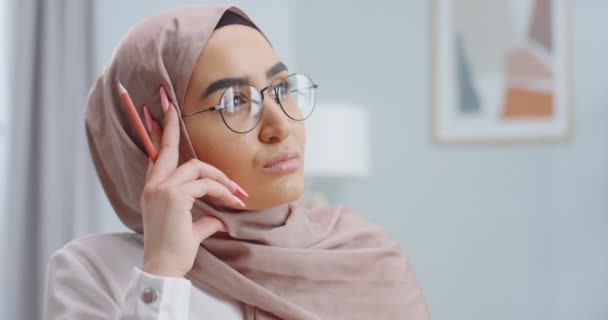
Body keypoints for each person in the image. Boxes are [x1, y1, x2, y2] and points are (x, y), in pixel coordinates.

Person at [44, 4, 431, 319]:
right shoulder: (95, 271)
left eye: (281, 89)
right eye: (234, 101)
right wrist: (161, 272)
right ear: (152, 138)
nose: (279, 125)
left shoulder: (366, 256)